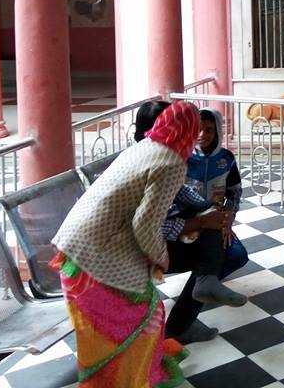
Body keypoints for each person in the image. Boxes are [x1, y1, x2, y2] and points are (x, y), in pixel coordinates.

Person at [52, 101, 202, 388]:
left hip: (75, 248)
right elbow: (145, 224)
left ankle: (124, 377)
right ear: (191, 132)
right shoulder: (171, 162)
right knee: (147, 318)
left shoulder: (144, 146)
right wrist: (162, 258)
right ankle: (132, 380)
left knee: (122, 323)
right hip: (97, 255)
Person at [162, 108, 249, 343]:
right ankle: (182, 323)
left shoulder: (226, 159)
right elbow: (168, 212)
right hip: (181, 225)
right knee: (217, 260)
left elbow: (234, 193)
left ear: (217, 131)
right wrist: (202, 219)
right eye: (198, 129)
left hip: (211, 220)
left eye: (209, 129)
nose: (203, 134)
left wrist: (227, 218)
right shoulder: (181, 158)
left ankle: (205, 282)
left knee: (237, 255)